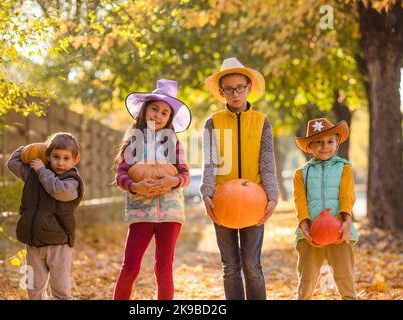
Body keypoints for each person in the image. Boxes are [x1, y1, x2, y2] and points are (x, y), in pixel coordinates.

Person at [200, 57, 279, 300]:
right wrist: (206, 193)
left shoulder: (262, 121)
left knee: (252, 265)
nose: (235, 94)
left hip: (254, 200)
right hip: (223, 200)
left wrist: (272, 196)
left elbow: (267, 162)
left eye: (240, 87)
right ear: (222, 92)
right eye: (229, 89)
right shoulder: (212, 122)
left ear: (249, 87)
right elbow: (210, 162)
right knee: (230, 266)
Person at [113, 79, 191, 300]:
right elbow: (121, 175)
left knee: (164, 268)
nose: (157, 115)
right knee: (130, 266)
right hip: (140, 213)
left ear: (169, 119)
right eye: (154, 109)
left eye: (164, 113)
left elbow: (184, 174)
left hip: (171, 214)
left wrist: (172, 181)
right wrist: (135, 186)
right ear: (144, 110)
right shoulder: (132, 141)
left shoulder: (173, 143)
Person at [6, 132, 84, 300]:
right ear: (48, 156)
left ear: (75, 160)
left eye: (66, 158)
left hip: (59, 244)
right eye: (56, 156)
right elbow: (12, 163)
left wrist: (42, 170)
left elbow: (57, 189)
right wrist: (31, 149)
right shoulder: (34, 174)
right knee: (34, 289)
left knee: (60, 290)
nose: (60, 162)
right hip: (34, 242)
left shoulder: (72, 182)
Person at [293, 118, 358, 300]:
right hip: (310, 234)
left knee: (345, 278)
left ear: (337, 143)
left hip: (339, 231)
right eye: (319, 142)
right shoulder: (301, 174)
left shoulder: (344, 168)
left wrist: (346, 221)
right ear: (310, 147)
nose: (325, 146)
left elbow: (347, 196)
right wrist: (304, 225)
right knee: (306, 280)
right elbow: (300, 202)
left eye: (330, 141)